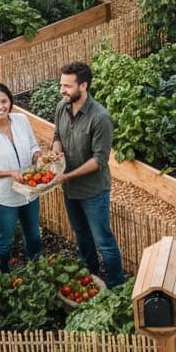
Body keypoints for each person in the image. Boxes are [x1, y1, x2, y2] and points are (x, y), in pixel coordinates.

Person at [50, 61, 126, 287]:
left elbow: (99, 161)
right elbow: (57, 135)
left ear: (83, 86)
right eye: (61, 84)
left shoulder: (100, 118)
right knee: (82, 237)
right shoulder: (61, 107)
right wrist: (56, 150)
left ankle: (116, 285)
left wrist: (67, 176)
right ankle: (90, 276)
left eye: (67, 86)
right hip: (70, 189)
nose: (62, 90)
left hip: (93, 191)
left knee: (104, 242)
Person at [0, 82, 43, 273]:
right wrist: (10, 173)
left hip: (29, 192)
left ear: (10, 102)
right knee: (5, 241)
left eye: (4, 101)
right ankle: (1, 279)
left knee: (34, 236)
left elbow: (32, 146)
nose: (0, 106)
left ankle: (37, 272)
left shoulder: (21, 120)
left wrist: (38, 156)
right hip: (3, 199)